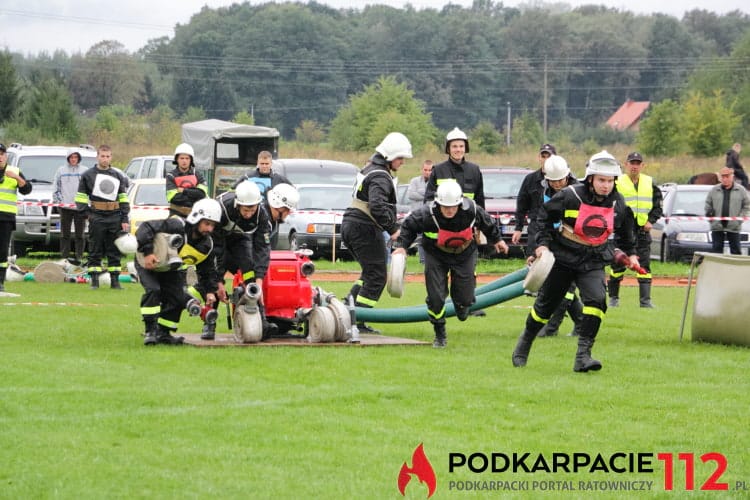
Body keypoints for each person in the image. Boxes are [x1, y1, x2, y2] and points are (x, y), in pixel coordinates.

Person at [512, 150, 638, 373]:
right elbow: (542, 219)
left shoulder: (618, 203)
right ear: (590, 178)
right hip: (563, 258)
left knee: (598, 302)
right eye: (601, 180)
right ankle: (525, 343)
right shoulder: (570, 195)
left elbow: (627, 232)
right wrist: (540, 245)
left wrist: (631, 254)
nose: (606, 186)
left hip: (593, 260)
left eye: (610, 181)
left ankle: (583, 356)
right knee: (544, 308)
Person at [393, 180, 508, 348]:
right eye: (445, 206)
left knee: (465, 300)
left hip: (465, 255)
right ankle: (440, 334)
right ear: (438, 203)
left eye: (453, 206)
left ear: (460, 203)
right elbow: (408, 227)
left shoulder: (472, 210)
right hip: (435, 255)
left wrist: (497, 240)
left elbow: (488, 222)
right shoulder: (426, 214)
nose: (449, 210)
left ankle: (463, 305)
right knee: (436, 298)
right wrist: (401, 247)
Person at [341, 132, 412, 334]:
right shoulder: (381, 175)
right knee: (378, 276)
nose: (402, 162)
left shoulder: (370, 169)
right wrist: (393, 229)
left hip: (352, 224)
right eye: (400, 158)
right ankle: (359, 320)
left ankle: (348, 309)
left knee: (369, 273)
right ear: (390, 156)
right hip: (364, 228)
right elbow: (378, 205)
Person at [135, 198, 223, 346]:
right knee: (154, 290)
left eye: (212, 225)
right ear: (196, 218)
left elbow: (207, 271)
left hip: (170, 269)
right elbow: (146, 227)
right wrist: (148, 252)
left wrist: (209, 291)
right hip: (147, 262)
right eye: (207, 224)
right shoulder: (176, 225)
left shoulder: (207, 245)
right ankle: (150, 331)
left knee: (177, 297)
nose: (210, 229)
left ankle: (164, 333)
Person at [424, 127, 487, 317]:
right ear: (448, 148)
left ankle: (464, 305)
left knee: (465, 283)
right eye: (454, 146)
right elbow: (428, 200)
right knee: (437, 289)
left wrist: (481, 229)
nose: (458, 149)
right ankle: (439, 318)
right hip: (440, 236)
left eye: (461, 146)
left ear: (465, 148)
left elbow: (480, 201)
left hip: (466, 235)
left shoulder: (474, 171)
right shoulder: (439, 170)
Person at [203, 180, 274, 340]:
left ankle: (261, 320)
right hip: (217, 241)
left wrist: (259, 281)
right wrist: (219, 281)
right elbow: (217, 249)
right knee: (213, 281)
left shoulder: (262, 215)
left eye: (252, 209)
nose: (249, 214)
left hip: (240, 239)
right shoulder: (221, 209)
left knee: (250, 273)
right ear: (237, 204)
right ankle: (209, 322)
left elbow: (262, 248)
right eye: (245, 210)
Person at [532, 155, 584, 337]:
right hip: (555, 243)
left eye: (559, 180)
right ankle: (581, 323)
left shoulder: (580, 192)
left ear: (567, 175)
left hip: (576, 245)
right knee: (560, 286)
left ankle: (551, 328)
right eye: (552, 181)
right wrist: (540, 246)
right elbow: (542, 221)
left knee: (565, 288)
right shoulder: (545, 192)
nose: (556, 184)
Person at [608, 152, 663, 308]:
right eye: (632, 163)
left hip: (642, 230)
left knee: (644, 265)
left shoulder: (649, 182)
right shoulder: (617, 182)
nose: (635, 166)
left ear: (642, 166)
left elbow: (658, 204)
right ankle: (614, 298)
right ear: (626, 165)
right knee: (618, 265)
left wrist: (651, 221)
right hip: (623, 231)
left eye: (638, 163)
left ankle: (645, 301)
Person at [75, 145, 130, 290]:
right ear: (97, 157)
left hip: (114, 216)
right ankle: (94, 281)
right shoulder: (88, 175)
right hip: (96, 216)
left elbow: (123, 197)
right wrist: (87, 214)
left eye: (107, 156)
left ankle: (115, 282)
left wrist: (125, 218)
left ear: (111, 157)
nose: (105, 159)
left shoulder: (118, 175)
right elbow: (80, 197)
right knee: (94, 248)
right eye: (102, 156)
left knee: (114, 250)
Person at [512, 143, 556, 257]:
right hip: (536, 227)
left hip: (557, 226)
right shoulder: (530, 179)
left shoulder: (563, 179)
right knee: (534, 260)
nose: (546, 160)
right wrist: (518, 228)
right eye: (543, 156)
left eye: (549, 156)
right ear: (539, 158)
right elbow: (521, 205)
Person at [0, 143, 32, 292]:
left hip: (5, 218)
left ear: (6, 156)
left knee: (1, 252)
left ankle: (0, 282)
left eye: (2, 154)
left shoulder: (14, 171)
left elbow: (27, 190)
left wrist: (17, 178)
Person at [53, 149, 87, 264]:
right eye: (71, 157)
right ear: (68, 158)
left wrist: (86, 204)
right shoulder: (61, 171)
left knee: (80, 234)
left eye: (75, 157)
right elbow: (56, 187)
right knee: (64, 234)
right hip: (65, 207)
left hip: (79, 208)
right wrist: (60, 202)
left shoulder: (84, 171)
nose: (73, 159)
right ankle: (64, 257)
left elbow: (89, 188)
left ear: (78, 158)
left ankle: (79, 257)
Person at [705, 166, 750, 255]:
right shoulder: (714, 190)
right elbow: (708, 204)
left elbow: (747, 205)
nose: (725, 179)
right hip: (717, 226)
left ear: (732, 176)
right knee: (716, 251)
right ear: (720, 178)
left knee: (736, 251)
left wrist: (740, 219)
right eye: (723, 177)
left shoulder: (741, 190)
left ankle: (735, 268)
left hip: (734, 227)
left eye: (727, 176)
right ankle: (717, 269)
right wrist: (710, 216)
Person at [165, 143, 208, 217]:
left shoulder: (197, 174)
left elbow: (201, 194)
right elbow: (174, 198)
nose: (184, 161)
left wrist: (184, 191)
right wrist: (194, 194)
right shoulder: (170, 176)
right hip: (176, 214)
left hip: (196, 214)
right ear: (177, 160)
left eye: (187, 158)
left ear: (191, 160)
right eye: (182, 158)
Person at [406, 159, 433, 263]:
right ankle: (422, 260)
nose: (427, 172)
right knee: (420, 239)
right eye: (425, 170)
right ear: (422, 169)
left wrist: (420, 194)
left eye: (430, 170)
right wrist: (426, 195)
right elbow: (411, 195)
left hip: (430, 215)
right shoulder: (414, 181)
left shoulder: (434, 182)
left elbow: (434, 196)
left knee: (429, 239)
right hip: (417, 215)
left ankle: (430, 260)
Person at [263, 182, 299, 249]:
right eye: (287, 209)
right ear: (278, 205)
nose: (288, 213)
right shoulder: (263, 220)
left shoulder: (272, 220)